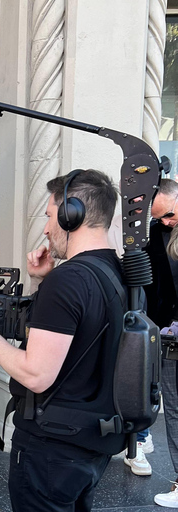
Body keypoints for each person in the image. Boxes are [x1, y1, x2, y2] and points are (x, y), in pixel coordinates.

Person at [0, 169, 122, 512]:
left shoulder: (69, 280)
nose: (46, 228)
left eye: (49, 216)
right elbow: (73, 338)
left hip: (53, 447)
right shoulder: (114, 271)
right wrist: (39, 284)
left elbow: (36, 374)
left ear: (70, 214)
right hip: (92, 442)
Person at [146, 178, 178, 507]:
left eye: (168, 214)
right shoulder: (156, 233)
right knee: (175, 412)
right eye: (159, 218)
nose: (165, 222)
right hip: (169, 337)